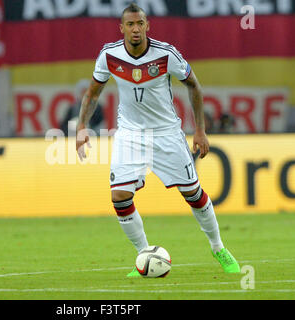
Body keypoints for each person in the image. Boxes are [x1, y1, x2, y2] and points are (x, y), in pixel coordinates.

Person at [76, 3, 240, 276]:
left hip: (166, 133)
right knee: (119, 197)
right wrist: (81, 125)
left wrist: (199, 130)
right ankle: (144, 254)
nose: (136, 29)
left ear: (147, 25)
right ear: (122, 28)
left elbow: (193, 85)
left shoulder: (166, 54)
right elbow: (93, 93)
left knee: (193, 194)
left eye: (140, 23)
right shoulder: (109, 55)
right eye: (130, 24)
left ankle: (218, 247)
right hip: (130, 134)